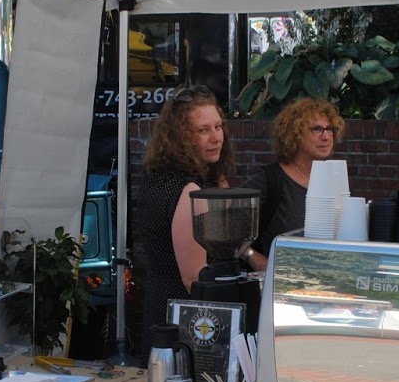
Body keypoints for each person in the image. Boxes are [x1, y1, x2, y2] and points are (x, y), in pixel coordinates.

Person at [136, 86, 236, 332]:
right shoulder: (189, 189)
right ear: (180, 137)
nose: (216, 137)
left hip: (165, 307)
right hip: (187, 319)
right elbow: (194, 279)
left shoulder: (161, 176)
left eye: (218, 126)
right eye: (203, 130)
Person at [244, 98, 344, 272]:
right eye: (317, 129)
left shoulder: (334, 179)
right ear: (294, 134)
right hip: (279, 284)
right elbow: (228, 222)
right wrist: (253, 257)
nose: (327, 137)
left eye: (330, 129)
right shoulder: (271, 179)